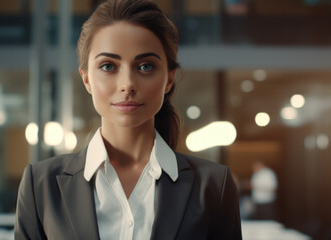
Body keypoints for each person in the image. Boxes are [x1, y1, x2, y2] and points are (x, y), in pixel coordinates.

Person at [14, 0, 242, 239]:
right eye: (108, 66)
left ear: (170, 79)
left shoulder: (215, 185)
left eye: (145, 66)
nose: (128, 85)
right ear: (86, 79)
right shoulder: (40, 185)